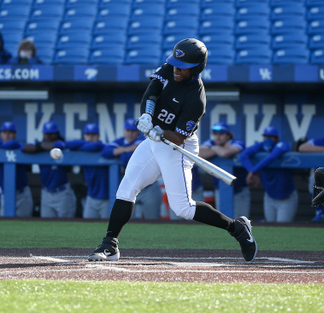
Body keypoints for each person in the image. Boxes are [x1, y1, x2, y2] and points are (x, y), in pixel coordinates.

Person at [88, 38, 257, 263]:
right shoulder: (171, 68)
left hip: (177, 146)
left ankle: (237, 228)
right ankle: (110, 245)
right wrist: (148, 115)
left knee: (183, 209)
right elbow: (153, 90)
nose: (176, 69)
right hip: (154, 140)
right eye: (175, 64)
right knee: (127, 187)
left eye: (183, 67)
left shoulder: (196, 98)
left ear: (197, 68)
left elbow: (178, 135)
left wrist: (162, 132)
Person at [101, 118, 162, 220]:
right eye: (128, 130)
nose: (130, 134)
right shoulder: (120, 141)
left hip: (149, 188)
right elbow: (105, 152)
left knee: (153, 220)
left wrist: (121, 151)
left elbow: (126, 158)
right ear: (124, 131)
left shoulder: (145, 141)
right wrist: (128, 149)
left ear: (138, 132)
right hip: (131, 188)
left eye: (133, 131)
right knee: (127, 221)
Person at [239, 126, 298, 223]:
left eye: (271, 137)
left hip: (286, 195)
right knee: (270, 228)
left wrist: (253, 171)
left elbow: (272, 157)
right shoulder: (260, 146)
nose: (268, 139)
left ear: (276, 138)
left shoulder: (283, 144)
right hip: (269, 196)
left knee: (282, 229)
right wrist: (251, 171)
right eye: (266, 136)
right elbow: (243, 155)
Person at [22, 121, 76, 218]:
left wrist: (44, 146)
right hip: (46, 193)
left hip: (62, 193)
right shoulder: (39, 144)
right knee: (47, 226)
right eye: (47, 134)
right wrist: (40, 146)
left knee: (67, 226)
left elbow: (55, 146)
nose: (49, 136)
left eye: (52, 133)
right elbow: (24, 147)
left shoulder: (61, 144)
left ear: (57, 134)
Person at [0, 122, 33, 217]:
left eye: (10, 132)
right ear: (0, 134)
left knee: (24, 226)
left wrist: (1, 145)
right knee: (4, 225)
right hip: (6, 194)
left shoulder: (19, 146)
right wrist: (1, 144)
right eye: (4, 132)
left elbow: (12, 144)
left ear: (15, 134)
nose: (7, 134)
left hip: (22, 194)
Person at [199, 122, 250, 218]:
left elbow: (225, 153)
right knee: (223, 220)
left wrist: (213, 149)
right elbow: (198, 153)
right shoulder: (211, 143)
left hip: (239, 190)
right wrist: (216, 148)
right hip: (220, 189)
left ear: (228, 135)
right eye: (215, 134)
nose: (218, 137)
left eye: (221, 134)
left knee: (241, 222)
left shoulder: (237, 142)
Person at [65, 123, 108, 219]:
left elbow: (96, 146)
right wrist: (83, 146)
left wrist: (80, 146)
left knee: (108, 228)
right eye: (88, 135)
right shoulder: (83, 149)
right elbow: (68, 144)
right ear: (84, 136)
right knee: (87, 226)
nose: (90, 137)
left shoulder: (103, 147)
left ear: (98, 136)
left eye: (93, 135)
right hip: (90, 197)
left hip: (107, 198)